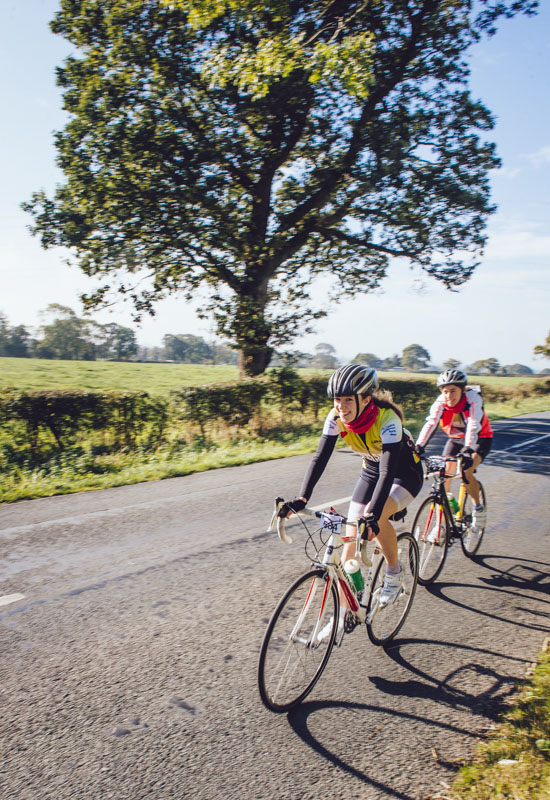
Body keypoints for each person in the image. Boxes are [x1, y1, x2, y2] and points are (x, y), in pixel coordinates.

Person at [278, 364, 423, 638]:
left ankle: (394, 573)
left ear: (366, 399)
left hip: (404, 473)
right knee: (349, 544)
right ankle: (348, 609)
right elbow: (320, 458)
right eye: (337, 400)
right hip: (371, 469)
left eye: (348, 400)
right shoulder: (335, 418)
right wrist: (302, 498)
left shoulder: (388, 419)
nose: (341, 406)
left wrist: (374, 512)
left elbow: (388, 471)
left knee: (375, 516)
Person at [414, 369, 493, 525]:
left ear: (463, 390)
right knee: (443, 478)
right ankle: (442, 524)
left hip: (480, 438)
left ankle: (478, 508)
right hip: (456, 439)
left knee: (466, 472)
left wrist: (469, 449)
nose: (449, 396)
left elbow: (473, 424)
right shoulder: (441, 402)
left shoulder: (473, 399)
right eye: (445, 391)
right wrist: (419, 446)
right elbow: (431, 423)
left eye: (453, 391)